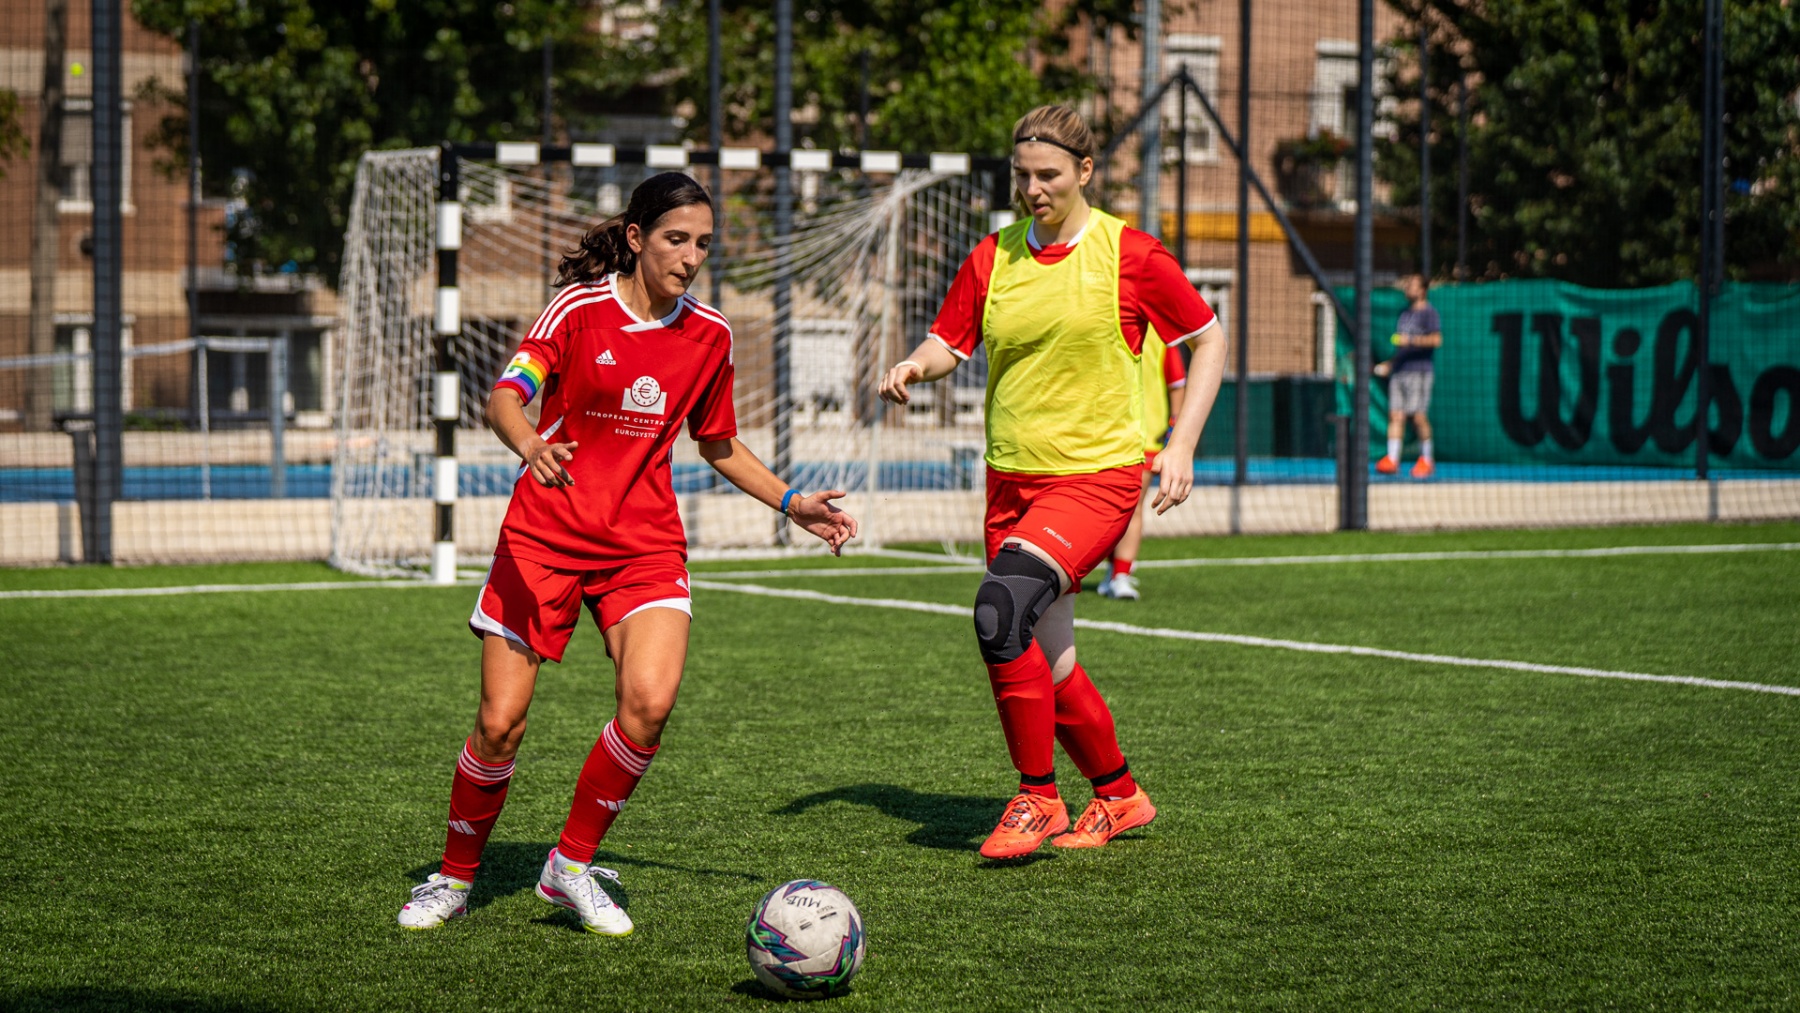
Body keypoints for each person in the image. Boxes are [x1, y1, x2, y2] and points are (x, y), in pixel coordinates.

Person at [398, 172, 857, 934]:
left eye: (703, 243)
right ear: (638, 238)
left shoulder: (710, 335)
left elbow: (718, 443)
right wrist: (531, 444)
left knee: (649, 702)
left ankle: (569, 865)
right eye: (676, 239)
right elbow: (505, 396)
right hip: (544, 536)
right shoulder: (577, 310)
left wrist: (792, 502)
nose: (691, 257)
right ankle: (453, 877)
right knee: (500, 723)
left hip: (641, 543)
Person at [878, 105, 1225, 860]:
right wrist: (913, 364)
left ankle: (1038, 796)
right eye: (1022, 176)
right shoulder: (993, 256)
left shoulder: (1131, 254)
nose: (1033, 189)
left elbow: (1209, 339)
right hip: (1009, 484)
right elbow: (949, 341)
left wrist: (1183, 444)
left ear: (1085, 171)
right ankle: (1120, 795)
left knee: (998, 611)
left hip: (1095, 480)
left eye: (1049, 175)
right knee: (1051, 661)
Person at [1097, 331, 1188, 601]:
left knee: (1133, 504)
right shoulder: (1104, 326)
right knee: (1105, 507)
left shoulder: (1161, 338)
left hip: (1147, 435)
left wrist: (1175, 428)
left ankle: (1122, 575)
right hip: (1103, 435)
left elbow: (1177, 384)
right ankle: (1113, 567)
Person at [1373, 274, 1442, 479]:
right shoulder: (1404, 313)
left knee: (1418, 417)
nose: (1407, 288)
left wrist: (1410, 340)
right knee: (1396, 415)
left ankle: (1427, 460)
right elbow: (1402, 346)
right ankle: (1392, 459)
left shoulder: (1429, 313)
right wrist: (1391, 364)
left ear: (1422, 290)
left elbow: (1436, 340)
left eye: (1412, 285)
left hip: (1419, 372)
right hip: (1399, 372)